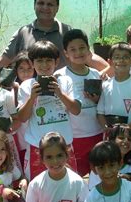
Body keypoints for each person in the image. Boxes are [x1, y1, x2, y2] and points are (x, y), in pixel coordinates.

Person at [0, 0, 109, 72]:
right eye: (41, 3)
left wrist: (111, 69)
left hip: (63, 93)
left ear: (57, 7)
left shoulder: (67, 31)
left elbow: (88, 56)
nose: (45, 7)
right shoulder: (23, 33)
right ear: (34, 5)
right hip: (31, 95)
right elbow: (5, 59)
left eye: (50, 4)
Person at [16, 40, 80, 179]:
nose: (44, 65)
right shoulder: (27, 86)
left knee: (68, 186)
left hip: (64, 145)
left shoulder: (65, 81)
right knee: (37, 186)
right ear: (32, 63)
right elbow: (22, 117)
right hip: (37, 146)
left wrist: (60, 93)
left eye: (48, 60)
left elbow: (76, 110)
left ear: (56, 62)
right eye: (39, 61)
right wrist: (32, 97)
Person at [55, 29, 104, 176]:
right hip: (74, 137)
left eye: (82, 48)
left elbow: (101, 104)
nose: (78, 52)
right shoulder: (60, 76)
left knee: (98, 175)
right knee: (76, 176)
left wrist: (96, 99)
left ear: (88, 49)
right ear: (66, 53)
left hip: (97, 132)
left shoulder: (95, 74)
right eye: (73, 49)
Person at [96, 42, 131, 167]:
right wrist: (106, 127)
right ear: (110, 62)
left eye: (126, 57)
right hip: (111, 136)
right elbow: (100, 113)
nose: (121, 60)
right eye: (117, 57)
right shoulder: (105, 85)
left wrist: (127, 129)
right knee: (110, 166)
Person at [88, 124, 131, 190]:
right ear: (112, 140)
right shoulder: (100, 161)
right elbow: (93, 189)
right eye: (121, 138)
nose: (126, 141)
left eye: (129, 139)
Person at [11, 51, 35, 167]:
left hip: (34, 133)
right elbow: (15, 111)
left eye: (29, 68)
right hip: (20, 135)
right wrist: (15, 90)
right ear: (16, 70)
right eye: (21, 69)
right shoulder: (12, 88)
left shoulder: (36, 86)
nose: (26, 72)